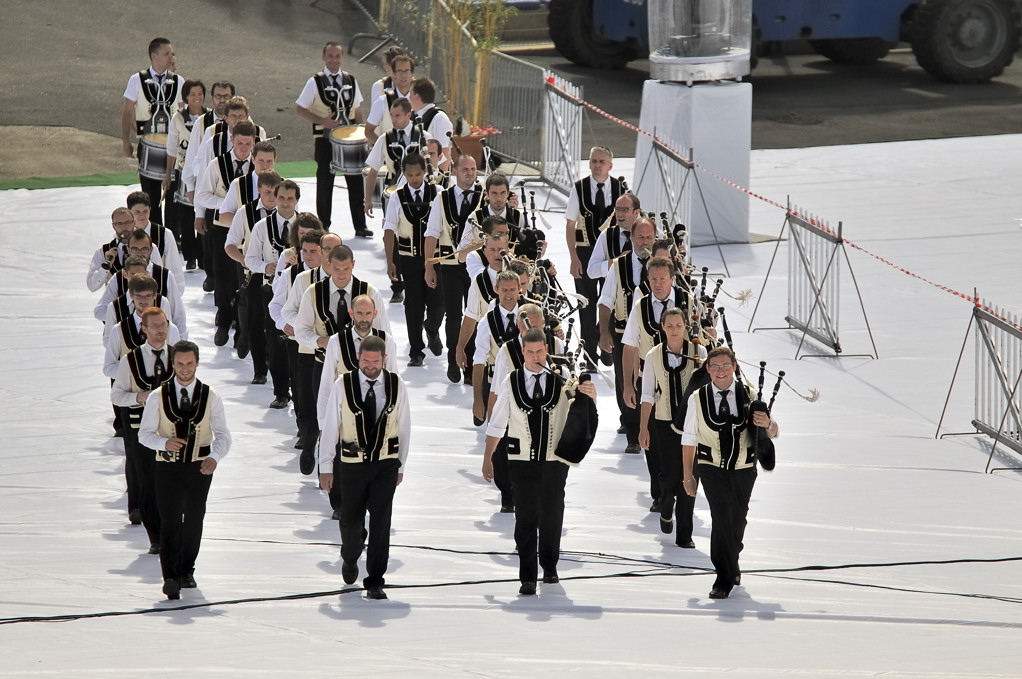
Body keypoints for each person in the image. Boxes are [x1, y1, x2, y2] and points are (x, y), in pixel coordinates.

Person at [482, 327, 597, 595]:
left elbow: (581, 412)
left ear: (547, 350)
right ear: (522, 352)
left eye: (540, 351)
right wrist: (488, 458)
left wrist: (589, 395)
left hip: (554, 460)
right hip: (520, 461)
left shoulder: (563, 378)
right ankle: (527, 576)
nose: (535, 357)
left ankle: (550, 566)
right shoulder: (510, 381)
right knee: (525, 517)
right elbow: (497, 423)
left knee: (552, 513)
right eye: (530, 352)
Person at [681, 346, 778, 599]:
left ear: (734, 367)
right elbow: (689, 438)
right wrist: (687, 476)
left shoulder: (750, 394)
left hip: (744, 468)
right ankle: (723, 577)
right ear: (708, 369)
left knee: (738, 520)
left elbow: (773, 431)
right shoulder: (697, 398)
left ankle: (732, 558)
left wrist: (767, 423)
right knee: (721, 518)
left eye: (726, 366)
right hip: (711, 468)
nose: (721, 371)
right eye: (715, 367)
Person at [319, 335, 410, 600]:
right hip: (352, 465)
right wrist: (326, 466)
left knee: (382, 521)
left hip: (385, 465)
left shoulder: (396, 385)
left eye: (375, 361)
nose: (370, 366)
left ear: (384, 359)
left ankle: (375, 580)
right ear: (358, 358)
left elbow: (404, 426)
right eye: (365, 361)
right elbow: (331, 426)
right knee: (350, 521)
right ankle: (350, 555)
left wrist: (401, 464)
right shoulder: (342, 384)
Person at [139, 340, 231, 600]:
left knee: (193, 520)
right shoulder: (158, 396)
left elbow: (223, 434)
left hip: (199, 468)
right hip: (167, 467)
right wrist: (163, 442)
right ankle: (170, 576)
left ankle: (186, 570)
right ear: (173, 364)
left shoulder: (211, 396)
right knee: (169, 521)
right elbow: (144, 435)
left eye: (189, 363)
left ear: (197, 363)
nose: (185, 368)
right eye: (180, 363)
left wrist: (215, 457)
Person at [294, 244, 389, 475]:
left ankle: (350, 474)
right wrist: (321, 341)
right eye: (336, 269)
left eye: (346, 268)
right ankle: (315, 452)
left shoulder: (369, 293)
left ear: (353, 265)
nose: (341, 274)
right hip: (323, 363)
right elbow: (300, 331)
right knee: (321, 414)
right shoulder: (313, 292)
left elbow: (383, 334)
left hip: (362, 372)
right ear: (328, 266)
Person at [638, 307, 708, 545]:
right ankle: (666, 507)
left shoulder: (699, 352)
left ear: (686, 326)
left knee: (690, 475)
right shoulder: (653, 356)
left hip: (693, 425)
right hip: (664, 424)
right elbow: (647, 394)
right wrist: (642, 428)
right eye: (670, 326)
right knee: (669, 477)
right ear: (662, 327)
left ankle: (685, 535)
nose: (674, 330)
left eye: (679, 325)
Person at [111, 306, 177, 552]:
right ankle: (155, 536)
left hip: (171, 430)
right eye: (155, 326)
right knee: (148, 480)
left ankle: (170, 528)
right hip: (141, 429)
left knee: (170, 481)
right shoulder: (131, 360)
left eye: (163, 325)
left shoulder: (177, 356)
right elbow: (117, 395)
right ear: (144, 329)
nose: (160, 331)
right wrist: (140, 397)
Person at [295, 41, 370, 237]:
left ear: (342, 58)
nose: (334, 60)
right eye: (330, 56)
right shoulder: (315, 82)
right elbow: (300, 108)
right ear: (324, 57)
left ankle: (360, 225)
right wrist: (322, 120)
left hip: (350, 140)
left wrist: (362, 134)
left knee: (355, 182)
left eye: (337, 56)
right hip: (325, 139)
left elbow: (358, 109)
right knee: (325, 181)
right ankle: (324, 225)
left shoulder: (351, 80)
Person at [195, 120, 258, 345]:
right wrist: (229, 204)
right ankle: (223, 322)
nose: (244, 148)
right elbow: (202, 195)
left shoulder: (258, 166)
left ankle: (243, 328)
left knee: (245, 278)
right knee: (223, 277)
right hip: (222, 229)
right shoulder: (216, 164)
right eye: (240, 143)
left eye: (248, 144)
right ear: (231, 139)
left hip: (251, 233)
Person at [598, 216, 656, 456]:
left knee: (652, 384)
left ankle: (652, 430)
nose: (644, 242)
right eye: (640, 237)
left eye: (649, 237)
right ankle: (632, 433)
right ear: (631, 238)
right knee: (627, 383)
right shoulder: (619, 266)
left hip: (654, 338)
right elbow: (605, 301)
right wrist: (603, 332)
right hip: (624, 335)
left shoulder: (662, 267)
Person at [424, 153, 481, 383]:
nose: (470, 172)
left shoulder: (483, 196)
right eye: (465, 169)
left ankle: (469, 364)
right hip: (449, 266)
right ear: (455, 171)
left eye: (473, 168)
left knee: (474, 314)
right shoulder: (442, 198)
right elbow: (431, 233)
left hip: (476, 265)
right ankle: (452, 360)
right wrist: (429, 267)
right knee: (454, 315)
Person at [382, 154, 443, 366]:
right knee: (413, 306)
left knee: (438, 305)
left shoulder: (439, 194)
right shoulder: (397, 197)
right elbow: (389, 229)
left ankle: (432, 329)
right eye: (409, 175)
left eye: (418, 174)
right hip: (408, 259)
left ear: (425, 172)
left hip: (435, 260)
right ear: (403, 174)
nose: (414, 178)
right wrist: (390, 262)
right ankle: (416, 351)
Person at [565, 146, 622, 363]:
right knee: (586, 305)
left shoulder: (620, 188)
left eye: (601, 161)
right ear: (589, 163)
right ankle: (589, 354)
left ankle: (606, 343)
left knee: (612, 301)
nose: (597, 165)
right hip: (585, 253)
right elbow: (570, 225)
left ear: (610, 165)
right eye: (594, 161)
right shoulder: (579, 189)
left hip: (613, 255)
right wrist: (573, 258)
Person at [120, 37, 184, 210]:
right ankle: (153, 236)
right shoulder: (137, 80)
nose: (171, 57)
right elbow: (127, 111)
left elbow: (184, 116)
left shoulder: (178, 81)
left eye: (172, 53)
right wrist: (127, 139)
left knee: (173, 202)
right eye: (167, 54)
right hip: (149, 147)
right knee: (151, 201)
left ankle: (170, 236)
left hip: (173, 149)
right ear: (154, 56)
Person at [163, 78, 209, 269]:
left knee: (204, 214)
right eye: (192, 95)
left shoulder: (210, 117)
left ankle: (205, 257)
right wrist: (168, 174)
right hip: (184, 171)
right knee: (187, 215)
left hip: (206, 172)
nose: (196, 98)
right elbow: (172, 147)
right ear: (185, 97)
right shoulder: (178, 118)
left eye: (200, 94)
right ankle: (190, 256)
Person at [127, 190, 185, 290]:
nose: (142, 216)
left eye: (145, 211)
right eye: (137, 212)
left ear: (150, 209)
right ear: (129, 211)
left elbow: (174, 267)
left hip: (158, 290)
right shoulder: (124, 236)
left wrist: (176, 293)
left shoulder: (164, 234)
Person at [365, 53, 416, 145]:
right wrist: (384, 147)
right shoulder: (382, 101)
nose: (403, 75)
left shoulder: (420, 101)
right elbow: (368, 131)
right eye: (400, 71)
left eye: (407, 71)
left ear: (412, 74)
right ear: (394, 74)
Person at [87, 207, 142, 292]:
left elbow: (160, 275)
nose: (124, 227)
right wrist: (105, 267)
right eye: (119, 224)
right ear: (113, 226)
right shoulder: (103, 251)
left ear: (134, 223)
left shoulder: (147, 248)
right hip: (116, 303)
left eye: (127, 222)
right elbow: (92, 286)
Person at [407, 78, 453, 160]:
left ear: (416, 96)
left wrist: (441, 172)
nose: (409, 98)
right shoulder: (412, 117)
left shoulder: (439, 118)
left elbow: (443, 151)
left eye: (410, 94)